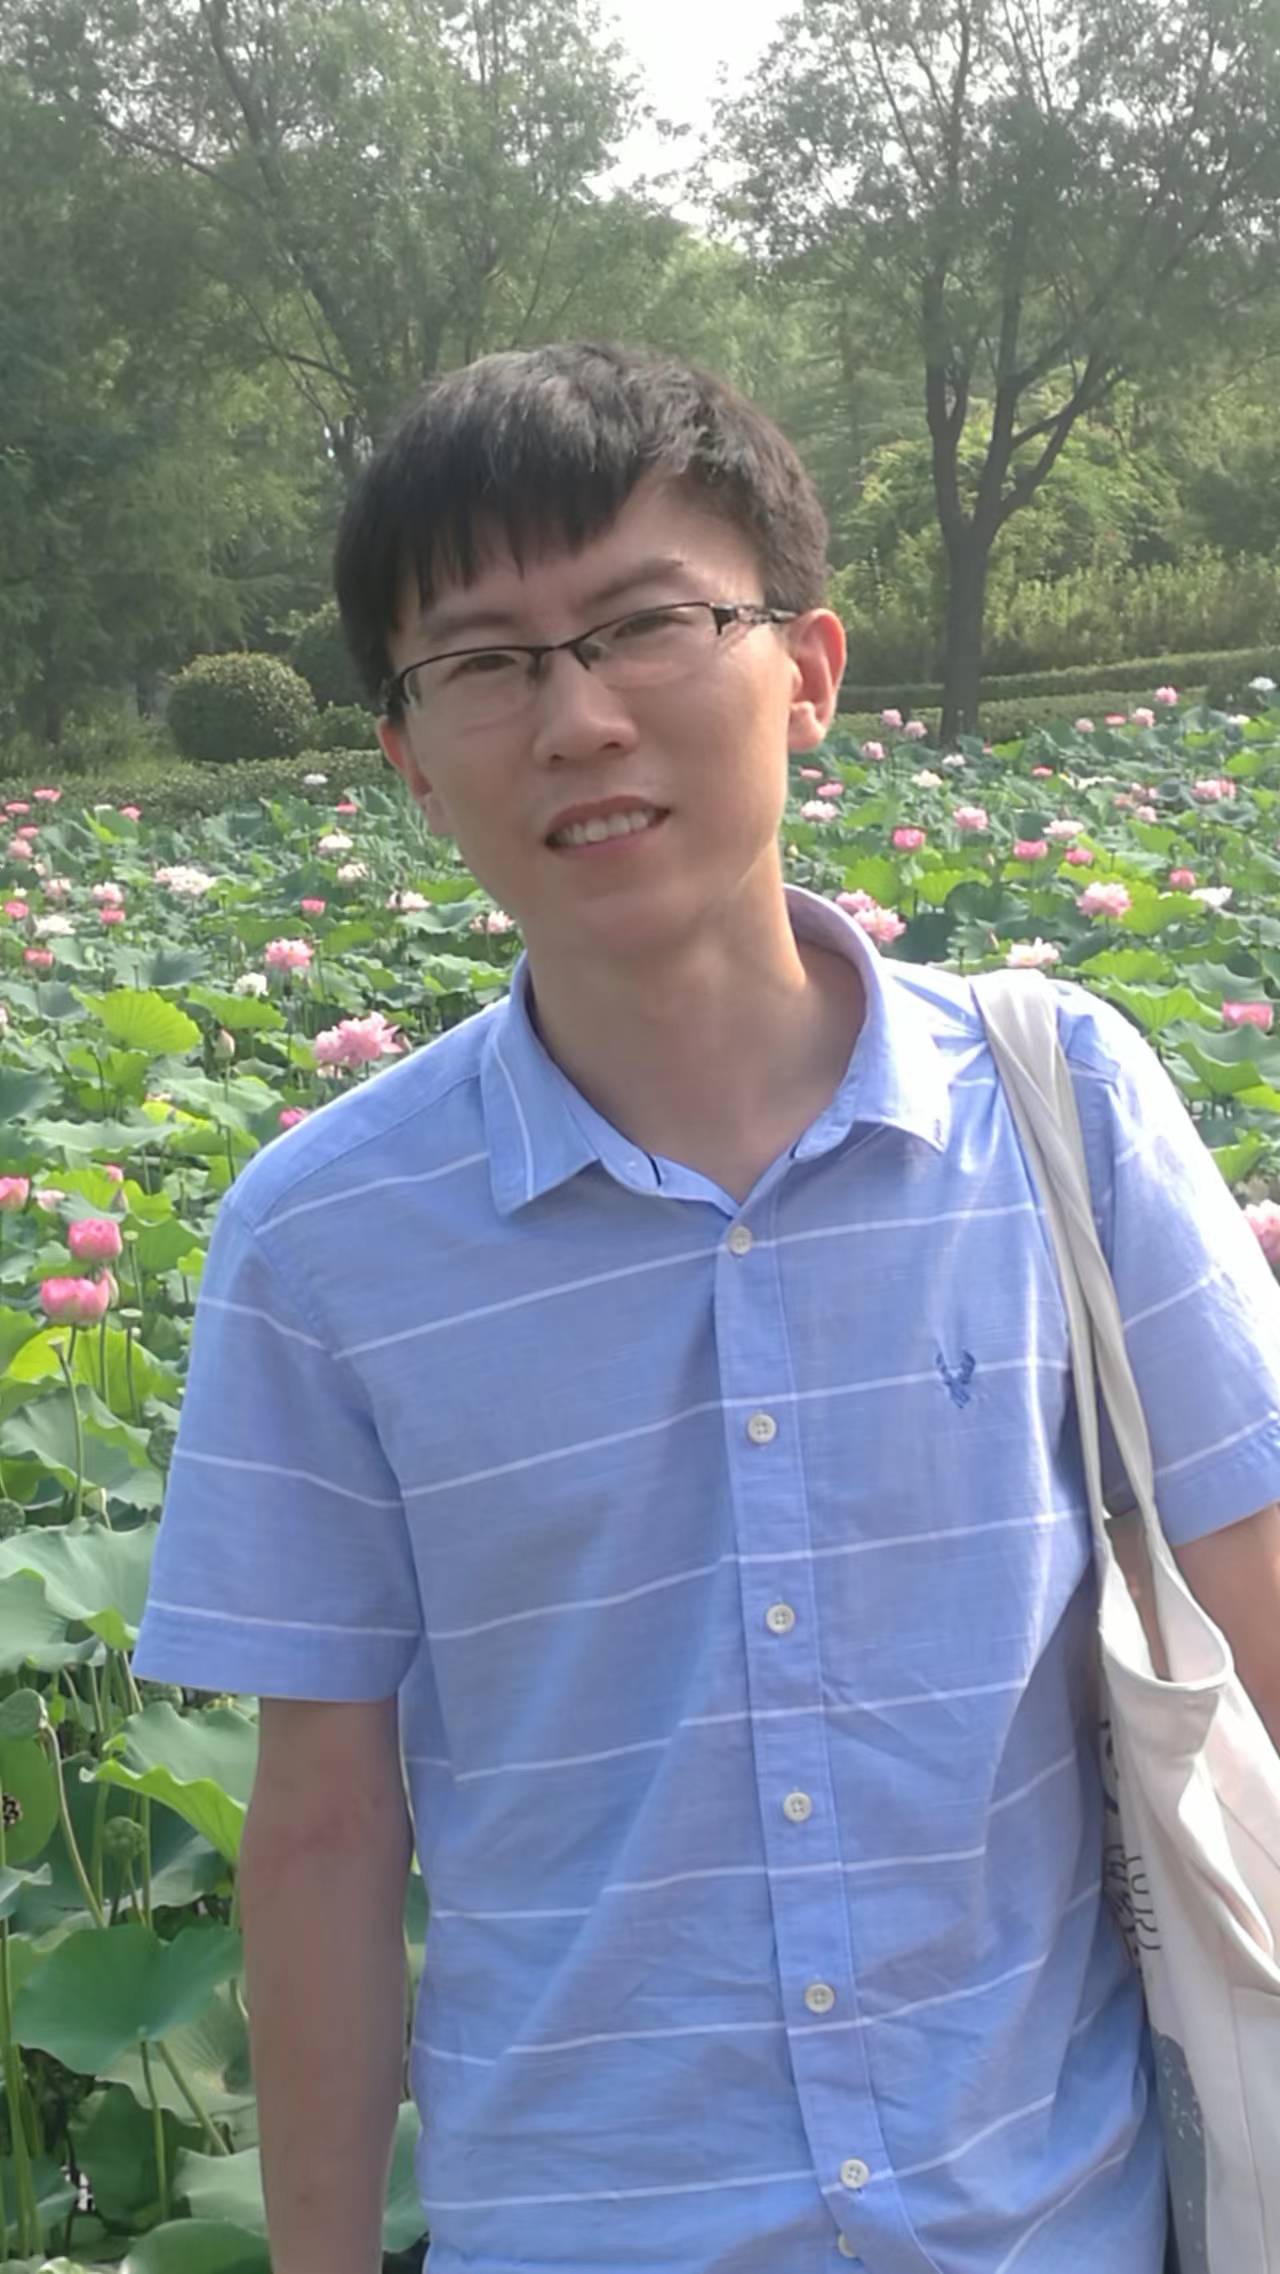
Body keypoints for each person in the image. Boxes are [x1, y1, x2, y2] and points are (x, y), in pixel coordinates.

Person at [132, 339, 1280, 2274]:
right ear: (407, 758)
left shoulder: (1061, 1103)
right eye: (485, 663)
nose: (576, 718)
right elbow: (322, 1831)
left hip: (1054, 2219)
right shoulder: (319, 1242)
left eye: (646, 625)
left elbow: (1259, 1602)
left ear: (807, 670)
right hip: (583, 2228)